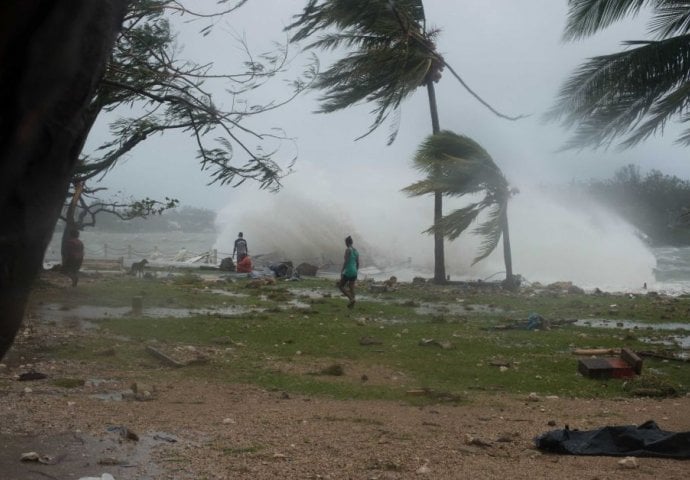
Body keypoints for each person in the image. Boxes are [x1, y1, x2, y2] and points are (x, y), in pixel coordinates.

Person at [338, 235, 359, 308]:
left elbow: (346, 261)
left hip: (349, 270)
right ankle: (352, 304)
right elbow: (357, 263)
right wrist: (356, 271)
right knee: (351, 287)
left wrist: (342, 271)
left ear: (347, 243)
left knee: (340, 286)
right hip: (354, 271)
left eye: (345, 242)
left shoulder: (348, 250)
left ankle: (351, 299)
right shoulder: (356, 251)